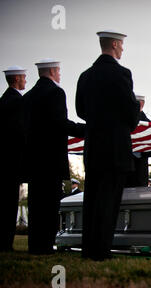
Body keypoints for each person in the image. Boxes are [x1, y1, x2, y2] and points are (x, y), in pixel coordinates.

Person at [76, 30, 140, 260]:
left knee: (92, 199)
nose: (123, 49)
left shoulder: (86, 75)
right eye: (121, 45)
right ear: (114, 44)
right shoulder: (121, 73)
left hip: (93, 146)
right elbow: (130, 110)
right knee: (109, 201)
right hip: (115, 147)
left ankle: (88, 248)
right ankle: (101, 250)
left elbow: (80, 110)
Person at [24, 59, 85, 254]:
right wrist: (85, 130)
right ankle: (45, 245)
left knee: (35, 203)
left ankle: (34, 244)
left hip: (33, 159)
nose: (60, 74)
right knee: (50, 204)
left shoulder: (28, 96)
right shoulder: (56, 92)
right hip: (50, 158)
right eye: (58, 71)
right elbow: (60, 123)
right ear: (51, 71)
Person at [0, 66, 26, 251]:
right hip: (12, 160)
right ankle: (5, 243)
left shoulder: (4, 100)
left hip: (4, 160)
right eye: (23, 77)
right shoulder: (17, 102)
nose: (25, 80)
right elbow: (20, 132)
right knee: (9, 204)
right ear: (16, 79)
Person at [125, 95, 151, 187]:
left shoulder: (149, 125)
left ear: (140, 104)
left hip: (138, 169)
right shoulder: (124, 121)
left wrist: (139, 153)